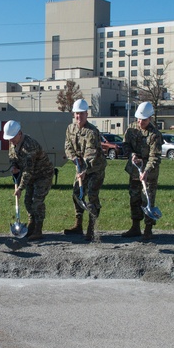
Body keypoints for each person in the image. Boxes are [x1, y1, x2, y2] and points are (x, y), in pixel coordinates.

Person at [63, 98, 105, 241]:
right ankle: (78, 224)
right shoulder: (70, 128)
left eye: (81, 114)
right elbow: (68, 146)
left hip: (94, 168)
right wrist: (74, 158)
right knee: (76, 194)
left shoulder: (91, 132)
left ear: (86, 114)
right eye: (76, 114)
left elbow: (90, 153)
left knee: (92, 197)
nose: (78, 117)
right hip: (80, 166)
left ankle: (91, 228)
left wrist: (84, 169)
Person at [5, 119, 53, 241]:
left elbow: (28, 170)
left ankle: (38, 229)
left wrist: (20, 188)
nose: (10, 140)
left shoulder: (29, 146)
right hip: (32, 177)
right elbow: (12, 158)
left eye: (12, 137)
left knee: (37, 202)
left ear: (19, 133)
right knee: (27, 202)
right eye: (9, 138)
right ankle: (31, 224)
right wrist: (13, 167)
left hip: (43, 175)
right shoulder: (13, 143)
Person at [121, 101, 163, 241]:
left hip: (149, 174)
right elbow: (125, 145)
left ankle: (148, 229)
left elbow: (155, 157)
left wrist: (146, 171)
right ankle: (135, 227)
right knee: (134, 198)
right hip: (134, 171)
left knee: (148, 201)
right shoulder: (132, 128)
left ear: (150, 118)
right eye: (139, 119)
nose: (140, 122)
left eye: (143, 120)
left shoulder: (154, 135)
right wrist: (131, 154)